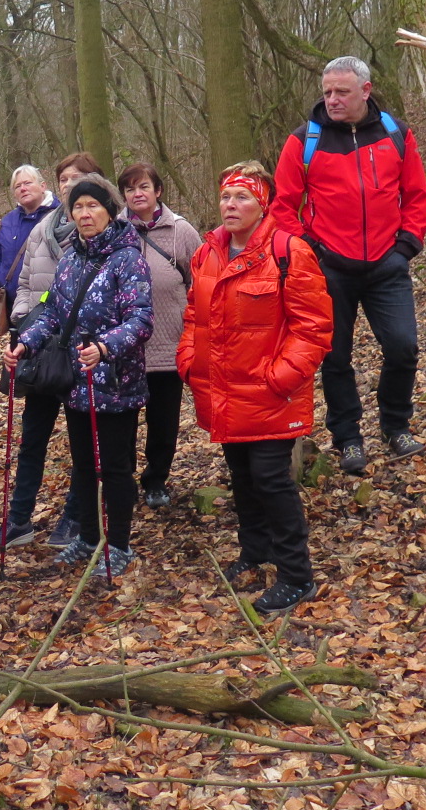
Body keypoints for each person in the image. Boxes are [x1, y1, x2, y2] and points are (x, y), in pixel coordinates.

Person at [178, 163, 332, 617]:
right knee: (242, 476)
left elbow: (314, 328)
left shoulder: (289, 252)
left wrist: (280, 377)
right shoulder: (208, 254)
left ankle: (296, 576)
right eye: (226, 197)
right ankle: (254, 551)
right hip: (223, 391)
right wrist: (190, 361)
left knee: (270, 480)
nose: (231, 205)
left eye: (242, 197)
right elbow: (194, 317)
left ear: (262, 204)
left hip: (270, 393)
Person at [271, 56, 426, 475]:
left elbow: (417, 195)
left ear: (366, 90)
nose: (332, 99)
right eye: (327, 92)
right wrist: (311, 253)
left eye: (342, 91)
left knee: (403, 346)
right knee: (335, 357)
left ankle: (396, 426)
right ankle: (348, 440)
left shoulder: (396, 135)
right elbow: (282, 208)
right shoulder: (304, 140)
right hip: (329, 269)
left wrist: (405, 247)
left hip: (387, 264)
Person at [6, 174, 153, 579]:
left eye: (92, 206)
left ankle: (119, 544)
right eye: (78, 207)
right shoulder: (71, 257)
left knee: (116, 468)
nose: (84, 214)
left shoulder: (128, 257)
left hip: (116, 382)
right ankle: (89, 536)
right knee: (84, 465)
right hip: (76, 381)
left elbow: (141, 319)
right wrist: (27, 343)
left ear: (109, 211)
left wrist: (105, 347)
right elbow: (54, 311)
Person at [0, 153, 102, 549]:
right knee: (32, 437)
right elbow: (28, 281)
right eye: (64, 177)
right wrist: (25, 322)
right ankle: (18, 520)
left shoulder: (107, 232)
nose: (70, 184)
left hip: (85, 351)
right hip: (42, 346)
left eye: (78, 177)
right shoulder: (42, 229)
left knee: (82, 442)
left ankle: (73, 518)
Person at [117, 162, 202, 509]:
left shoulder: (181, 232)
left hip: (169, 342)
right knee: (122, 421)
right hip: (123, 346)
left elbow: (201, 280)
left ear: (158, 191)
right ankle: (121, 482)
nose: (137, 194)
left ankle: (156, 480)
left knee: (163, 421)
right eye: (130, 189)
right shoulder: (115, 230)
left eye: (144, 187)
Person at [0, 165, 56, 324]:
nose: (23, 189)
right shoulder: (9, 220)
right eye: (18, 186)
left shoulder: (59, 215)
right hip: (12, 304)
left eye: (28, 183)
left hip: (46, 306)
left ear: (42, 186)